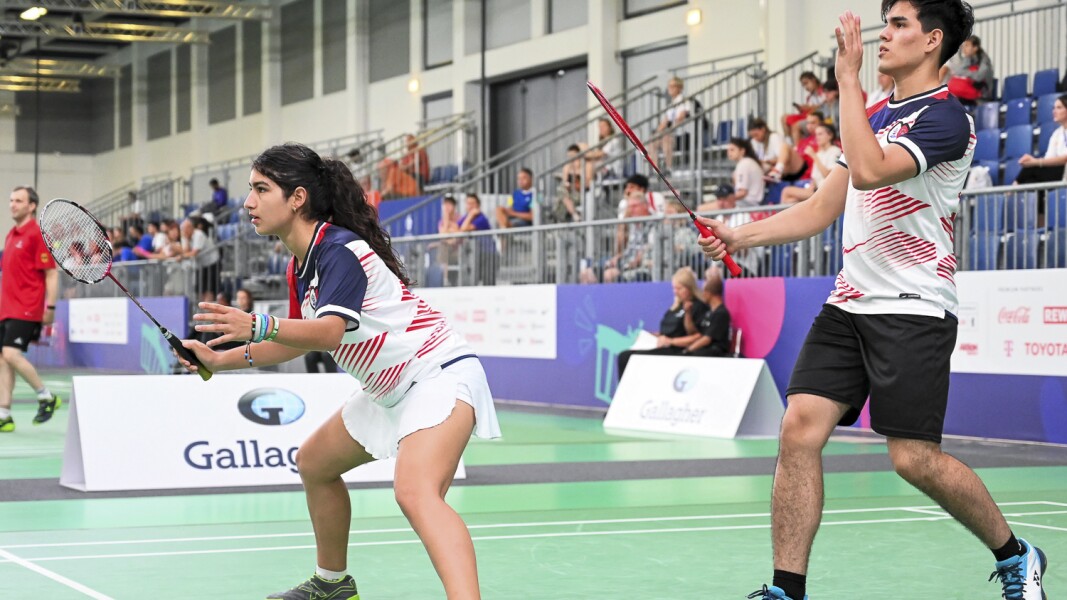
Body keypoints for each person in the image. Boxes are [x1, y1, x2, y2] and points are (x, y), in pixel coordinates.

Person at [699, 3, 1046, 598]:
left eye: (901, 25)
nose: (885, 34)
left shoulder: (946, 120)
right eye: (885, 23)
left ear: (934, 40)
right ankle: (787, 589)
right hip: (848, 304)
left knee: (913, 460)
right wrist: (740, 234)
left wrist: (847, 78)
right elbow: (821, 207)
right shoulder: (878, 111)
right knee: (798, 431)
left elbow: (866, 171)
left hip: (912, 305)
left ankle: (1016, 555)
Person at [176, 143, 501, 600]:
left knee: (415, 492)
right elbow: (289, 338)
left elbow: (327, 333)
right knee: (314, 463)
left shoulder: (340, 250)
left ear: (297, 198)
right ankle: (332, 584)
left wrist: (255, 323)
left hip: (435, 374)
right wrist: (219, 359)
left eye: (260, 189)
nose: (248, 202)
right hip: (387, 389)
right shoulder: (299, 266)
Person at [0, 186, 61, 432]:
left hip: (27, 307)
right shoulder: (11, 235)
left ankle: (46, 396)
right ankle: (4, 413)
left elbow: (51, 274)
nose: (12, 204)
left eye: (19, 200)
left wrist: (51, 307)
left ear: (32, 205)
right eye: (11, 200)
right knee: (3, 359)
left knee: (11, 354)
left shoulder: (37, 234)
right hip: (7, 307)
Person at [615, 267, 708, 377]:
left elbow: (697, 336)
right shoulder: (675, 307)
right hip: (662, 346)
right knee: (624, 355)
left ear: (689, 288)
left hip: (676, 349)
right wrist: (650, 335)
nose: (676, 292)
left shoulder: (697, 306)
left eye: (679, 289)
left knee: (629, 357)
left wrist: (671, 341)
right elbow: (665, 332)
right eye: (674, 289)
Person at [697, 138, 766, 211]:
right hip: (748, 202)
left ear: (742, 151)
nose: (729, 153)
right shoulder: (747, 162)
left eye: (732, 150)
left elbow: (742, 193)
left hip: (748, 204)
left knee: (701, 209)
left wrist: (724, 199)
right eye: (728, 150)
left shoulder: (744, 164)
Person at [780, 124, 843, 204]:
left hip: (828, 191)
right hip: (816, 190)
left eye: (820, 134)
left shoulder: (835, 151)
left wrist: (814, 156)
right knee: (790, 200)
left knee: (787, 191)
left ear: (830, 135)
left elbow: (828, 176)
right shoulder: (819, 153)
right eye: (816, 134)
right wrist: (810, 187)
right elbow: (814, 178)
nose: (817, 137)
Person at [1015, 94, 1067, 184]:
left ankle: (1009, 193)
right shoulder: (1056, 134)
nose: (1054, 111)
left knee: (1031, 168)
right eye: (1054, 108)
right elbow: (1049, 159)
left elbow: (1065, 158)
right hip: (1059, 171)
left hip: (1064, 169)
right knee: (1030, 181)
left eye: (1059, 108)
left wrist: (1035, 162)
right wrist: (1034, 161)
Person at [687, 267, 732, 357]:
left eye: (703, 291)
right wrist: (688, 313)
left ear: (708, 293)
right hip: (704, 350)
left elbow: (707, 339)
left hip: (715, 352)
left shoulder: (721, 313)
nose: (702, 295)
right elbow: (696, 333)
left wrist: (687, 350)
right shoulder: (708, 312)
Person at [653, 77, 693, 171]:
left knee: (666, 137)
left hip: (683, 135)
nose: (670, 88)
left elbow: (681, 118)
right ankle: (656, 169)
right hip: (672, 134)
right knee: (652, 140)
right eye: (669, 86)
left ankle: (668, 168)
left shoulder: (685, 100)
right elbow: (664, 122)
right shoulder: (671, 104)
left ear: (680, 88)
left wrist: (667, 130)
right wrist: (657, 133)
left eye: (673, 86)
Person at [939, 34, 993, 103]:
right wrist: (968, 73)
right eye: (963, 46)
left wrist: (965, 74)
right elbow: (957, 71)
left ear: (975, 48)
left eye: (967, 45)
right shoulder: (968, 58)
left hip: (982, 96)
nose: (964, 49)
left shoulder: (984, 60)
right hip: (967, 93)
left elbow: (979, 77)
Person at [460, 193, 498, 285]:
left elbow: (463, 229)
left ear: (478, 205)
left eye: (472, 203)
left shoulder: (481, 218)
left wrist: (471, 215)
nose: (470, 206)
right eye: (468, 203)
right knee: (472, 281)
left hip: (488, 253)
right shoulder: (466, 217)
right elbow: (457, 229)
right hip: (475, 254)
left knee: (488, 283)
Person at [781, 71, 826, 143]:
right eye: (803, 85)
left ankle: (797, 148)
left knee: (795, 126)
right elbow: (809, 110)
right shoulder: (809, 97)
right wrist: (802, 109)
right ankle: (789, 141)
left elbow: (825, 104)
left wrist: (811, 107)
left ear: (813, 80)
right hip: (809, 115)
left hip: (820, 115)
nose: (806, 87)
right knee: (784, 117)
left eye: (806, 83)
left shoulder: (824, 89)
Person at [555, 144, 593, 222]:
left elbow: (588, 183)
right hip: (569, 193)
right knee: (562, 191)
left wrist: (577, 174)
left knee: (561, 200)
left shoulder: (586, 166)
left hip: (581, 193)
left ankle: (559, 219)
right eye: (569, 156)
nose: (571, 159)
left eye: (573, 156)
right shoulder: (567, 167)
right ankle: (574, 215)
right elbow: (565, 182)